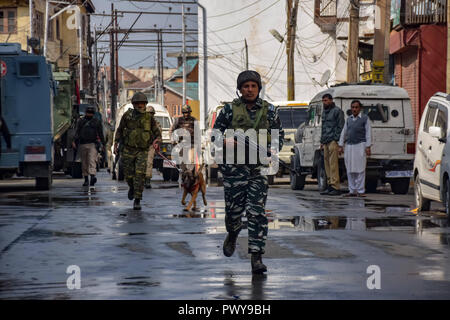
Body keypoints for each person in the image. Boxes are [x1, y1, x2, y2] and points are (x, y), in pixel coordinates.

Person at [213, 70, 284, 274]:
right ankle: (233, 234)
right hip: (234, 171)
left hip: (257, 171)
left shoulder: (270, 111)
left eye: (253, 86)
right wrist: (226, 141)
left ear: (259, 89)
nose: (250, 90)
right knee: (233, 213)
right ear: (240, 89)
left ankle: (256, 257)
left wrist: (272, 149)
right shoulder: (228, 111)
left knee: (256, 212)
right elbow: (215, 135)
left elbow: (279, 135)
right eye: (246, 86)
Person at [114, 92, 161, 210]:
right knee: (129, 175)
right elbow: (119, 130)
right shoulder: (127, 116)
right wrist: (115, 143)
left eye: (142, 103)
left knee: (140, 175)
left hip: (143, 150)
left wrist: (156, 141)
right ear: (133, 104)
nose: (140, 105)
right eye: (137, 103)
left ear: (145, 104)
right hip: (128, 149)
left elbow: (157, 134)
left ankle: (137, 200)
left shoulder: (149, 118)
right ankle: (132, 187)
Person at [338, 100, 372, 197]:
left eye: (356, 107)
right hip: (349, 146)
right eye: (353, 107)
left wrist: (368, 146)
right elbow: (343, 133)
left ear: (360, 108)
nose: (354, 109)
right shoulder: (348, 119)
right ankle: (352, 190)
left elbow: (368, 133)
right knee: (350, 168)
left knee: (360, 168)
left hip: (360, 145)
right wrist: (340, 145)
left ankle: (360, 190)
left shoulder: (365, 119)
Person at [72, 106, 105, 187]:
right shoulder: (81, 121)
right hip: (82, 144)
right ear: (86, 113)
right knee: (84, 162)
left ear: (93, 114)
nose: (89, 114)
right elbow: (77, 131)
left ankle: (92, 177)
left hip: (92, 144)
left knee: (91, 161)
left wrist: (103, 143)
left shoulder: (96, 122)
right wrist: (74, 141)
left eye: (91, 113)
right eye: (88, 112)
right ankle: (86, 179)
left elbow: (100, 133)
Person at [320, 93, 345, 196]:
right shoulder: (324, 112)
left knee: (333, 164)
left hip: (333, 141)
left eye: (326, 100)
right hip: (325, 141)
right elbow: (323, 127)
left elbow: (340, 127)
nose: (324, 103)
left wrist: (337, 140)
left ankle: (335, 186)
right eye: (323, 101)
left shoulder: (337, 111)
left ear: (331, 100)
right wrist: (321, 141)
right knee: (327, 165)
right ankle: (330, 185)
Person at [169, 105, 199, 170]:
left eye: (188, 112)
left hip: (192, 144)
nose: (186, 114)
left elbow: (198, 133)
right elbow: (171, 130)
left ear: (190, 112)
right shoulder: (178, 120)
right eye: (185, 112)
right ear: (182, 113)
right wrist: (173, 140)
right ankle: (184, 175)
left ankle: (191, 175)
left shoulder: (194, 120)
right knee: (183, 161)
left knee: (191, 160)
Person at [145, 105, 161, 189]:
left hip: (151, 146)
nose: (150, 115)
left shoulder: (156, 124)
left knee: (149, 162)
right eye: (148, 113)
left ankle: (147, 180)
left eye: (151, 113)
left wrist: (157, 142)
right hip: (140, 146)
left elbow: (159, 135)